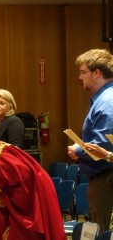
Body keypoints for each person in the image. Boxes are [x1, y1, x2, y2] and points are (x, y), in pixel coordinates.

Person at [67, 48, 113, 234]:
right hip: (102, 177)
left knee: (103, 233)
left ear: (97, 73)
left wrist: (78, 151)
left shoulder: (107, 102)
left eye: (83, 72)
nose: (80, 77)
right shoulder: (104, 99)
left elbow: (104, 146)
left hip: (106, 178)